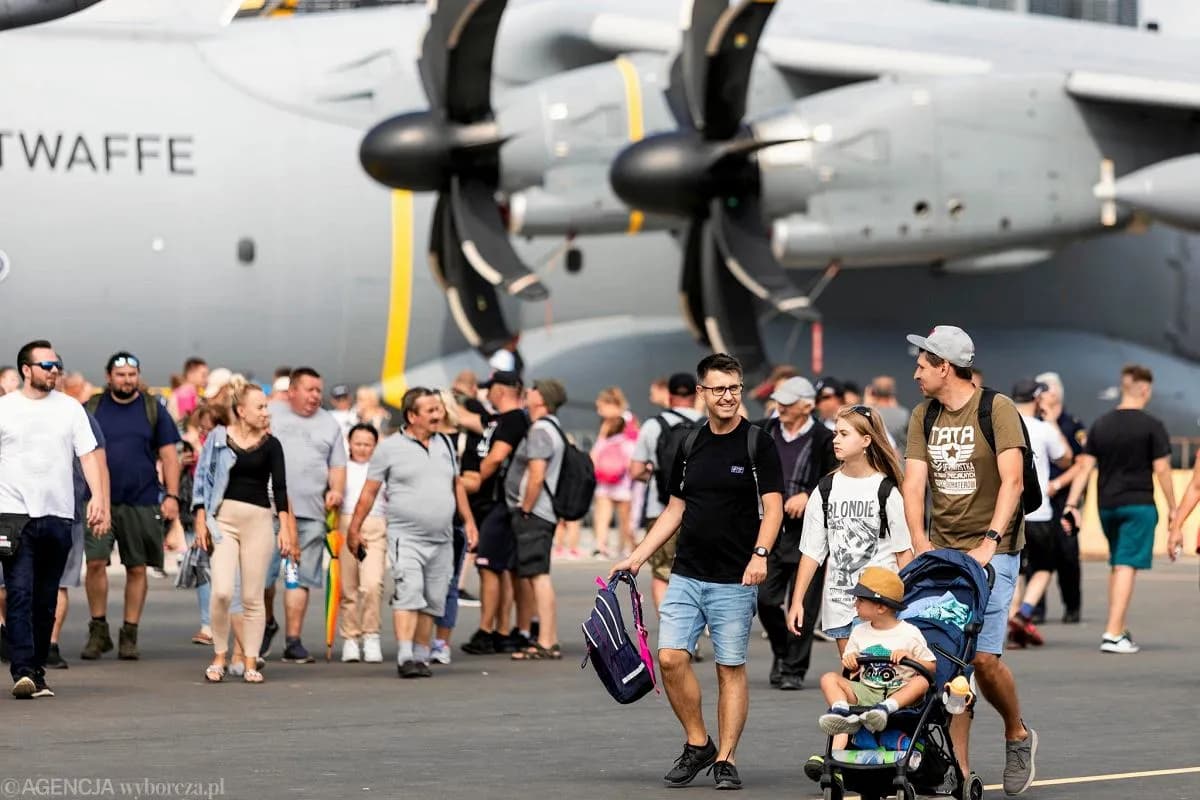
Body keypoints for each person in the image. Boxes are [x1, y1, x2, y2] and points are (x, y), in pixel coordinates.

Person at [612, 353, 784, 791]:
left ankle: (726, 757)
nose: (728, 397)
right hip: (687, 573)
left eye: (734, 388)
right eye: (719, 389)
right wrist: (637, 556)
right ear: (702, 393)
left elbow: (774, 507)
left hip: (734, 577)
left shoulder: (756, 442)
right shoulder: (687, 443)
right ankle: (698, 742)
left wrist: (760, 553)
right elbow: (675, 508)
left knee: (730, 667)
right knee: (670, 659)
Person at [901, 325, 1037, 796]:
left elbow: (1013, 483)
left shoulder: (996, 409)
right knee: (947, 661)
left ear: (945, 366)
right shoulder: (923, 415)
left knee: (981, 658)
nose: (915, 372)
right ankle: (958, 771)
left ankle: (1017, 732)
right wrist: (920, 542)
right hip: (943, 550)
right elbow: (913, 484)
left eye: (923, 364)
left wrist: (990, 541)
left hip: (994, 549)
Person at [0, 340, 109, 698]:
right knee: (18, 592)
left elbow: (90, 456)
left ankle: (37, 669)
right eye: (46, 365)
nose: (54, 370)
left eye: (57, 364)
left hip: (60, 514)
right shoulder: (5, 408)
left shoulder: (71, 409)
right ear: (26, 370)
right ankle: (23, 672)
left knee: (45, 598)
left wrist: (99, 501)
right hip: (13, 514)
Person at [345, 388, 478, 678]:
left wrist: (469, 521)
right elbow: (369, 493)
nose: (438, 414)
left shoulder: (445, 443)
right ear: (412, 415)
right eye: (430, 410)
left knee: (433, 596)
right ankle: (405, 656)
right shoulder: (389, 448)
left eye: (438, 409)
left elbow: (456, 485)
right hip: (406, 537)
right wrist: (354, 529)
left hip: (442, 537)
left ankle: (421, 655)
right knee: (409, 592)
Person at [1062, 364, 1175, 655]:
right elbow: (1162, 469)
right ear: (1145, 389)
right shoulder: (1152, 425)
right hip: (1138, 504)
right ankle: (1112, 634)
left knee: (1117, 562)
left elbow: (1085, 467)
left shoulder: (1101, 423)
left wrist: (1072, 504)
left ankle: (1118, 628)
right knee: (1126, 563)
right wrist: (1174, 507)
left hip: (1107, 506)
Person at [194, 377, 299, 683]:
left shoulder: (272, 445)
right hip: (223, 520)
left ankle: (250, 660)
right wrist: (200, 517)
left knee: (253, 596)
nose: (267, 412)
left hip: (259, 522)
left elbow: (280, 488)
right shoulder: (217, 438)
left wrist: (286, 528)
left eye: (267, 406)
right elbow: (203, 480)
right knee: (223, 591)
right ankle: (220, 654)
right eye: (261, 407)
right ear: (241, 410)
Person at [81, 351, 182, 661]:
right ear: (109, 376)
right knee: (96, 563)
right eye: (121, 374)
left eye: (132, 374)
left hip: (141, 500)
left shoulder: (153, 409)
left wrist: (173, 497)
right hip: (99, 500)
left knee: (136, 567)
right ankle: (98, 631)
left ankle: (129, 633)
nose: (127, 380)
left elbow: (169, 456)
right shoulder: (93, 408)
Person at [788, 404, 912, 650]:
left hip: (879, 602)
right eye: (836, 433)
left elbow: (903, 553)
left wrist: (910, 603)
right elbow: (812, 552)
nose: (836, 440)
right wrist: (797, 601)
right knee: (853, 677)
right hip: (840, 602)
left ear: (866, 440)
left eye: (844, 434)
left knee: (876, 677)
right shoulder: (825, 489)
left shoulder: (886, 491)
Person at [756, 376, 838, 691]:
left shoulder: (823, 438)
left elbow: (833, 478)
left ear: (807, 405)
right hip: (769, 529)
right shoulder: (764, 430)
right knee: (764, 599)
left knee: (804, 601)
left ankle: (793, 668)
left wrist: (809, 494)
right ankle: (781, 649)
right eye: (779, 402)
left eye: (788, 403)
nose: (782, 408)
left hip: (810, 532)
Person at [264, 367, 347, 664]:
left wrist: (336, 490)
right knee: (264, 577)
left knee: (296, 578)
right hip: (269, 510)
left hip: (310, 513)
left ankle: (293, 640)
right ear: (292, 392)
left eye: (318, 391)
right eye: (309, 390)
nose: (315, 396)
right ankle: (267, 622)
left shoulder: (329, 424)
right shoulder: (271, 412)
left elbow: (338, 466)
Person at [817, 567, 935, 740]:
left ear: (880, 607)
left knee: (922, 682)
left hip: (899, 691)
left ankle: (886, 708)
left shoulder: (910, 633)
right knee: (829, 678)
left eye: (860, 601)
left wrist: (911, 659)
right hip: (867, 689)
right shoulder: (858, 631)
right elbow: (851, 667)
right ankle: (842, 711)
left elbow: (931, 666)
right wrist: (850, 661)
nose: (855, 604)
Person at [459, 371, 530, 656]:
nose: (486, 394)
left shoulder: (513, 419)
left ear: (501, 391)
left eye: (490, 389)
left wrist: (476, 479)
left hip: (498, 503)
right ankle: (503, 629)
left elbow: (498, 455)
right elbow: (468, 419)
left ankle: (487, 630)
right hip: (492, 504)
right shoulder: (497, 420)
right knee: (500, 569)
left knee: (489, 567)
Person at [47, 380, 110, 670]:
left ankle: (50, 644)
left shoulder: (78, 415)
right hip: (19, 513)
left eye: (56, 371)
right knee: (16, 583)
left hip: (67, 511)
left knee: (59, 582)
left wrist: (100, 501)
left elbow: (96, 460)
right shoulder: (13, 411)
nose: (52, 377)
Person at [630, 373, 704, 611]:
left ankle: (673, 636)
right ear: (696, 395)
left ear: (670, 396)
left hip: (660, 509)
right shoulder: (708, 424)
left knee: (662, 573)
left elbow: (636, 470)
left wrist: (654, 473)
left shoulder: (654, 425)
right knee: (696, 573)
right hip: (701, 512)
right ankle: (692, 633)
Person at [506, 379, 569, 661]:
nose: (527, 393)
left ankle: (546, 640)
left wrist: (526, 507)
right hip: (544, 512)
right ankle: (548, 638)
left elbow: (536, 474)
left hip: (536, 512)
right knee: (535, 574)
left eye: (532, 389)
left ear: (541, 399)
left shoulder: (541, 430)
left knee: (538, 575)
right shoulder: (552, 427)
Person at [1006, 379, 1072, 648]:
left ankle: (1013, 617)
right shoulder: (1044, 429)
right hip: (1040, 510)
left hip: (1011, 510)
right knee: (1044, 567)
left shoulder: (1004, 427)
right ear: (1036, 398)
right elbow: (1066, 458)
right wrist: (1052, 419)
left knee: (1017, 570)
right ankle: (1024, 614)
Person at [1033, 371, 1087, 623]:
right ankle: (1035, 608)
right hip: (1038, 498)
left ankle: (1072, 606)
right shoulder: (1032, 423)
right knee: (1036, 555)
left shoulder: (1072, 424)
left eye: (1044, 389)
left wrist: (1058, 483)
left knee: (1067, 553)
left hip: (1063, 497)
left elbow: (1080, 463)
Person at [337, 424, 387, 663]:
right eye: (358, 443)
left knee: (372, 583)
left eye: (368, 444)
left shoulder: (382, 469)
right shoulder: (342, 468)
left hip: (376, 525)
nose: (362, 448)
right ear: (349, 442)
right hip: (345, 525)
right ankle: (350, 637)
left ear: (375, 446)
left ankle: (371, 635)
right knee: (349, 587)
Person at [591, 387, 637, 559]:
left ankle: (622, 546)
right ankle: (602, 545)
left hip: (622, 476)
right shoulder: (611, 423)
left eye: (601, 407)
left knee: (624, 516)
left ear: (612, 404)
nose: (599, 411)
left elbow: (600, 446)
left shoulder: (627, 421)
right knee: (605, 512)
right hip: (610, 476)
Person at [867, 376, 911, 450]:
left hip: (875, 459)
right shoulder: (904, 414)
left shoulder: (868, 413)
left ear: (873, 392)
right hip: (898, 460)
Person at [167, 358, 209, 422]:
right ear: (191, 374)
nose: (206, 379)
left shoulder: (184, 391)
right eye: (203, 375)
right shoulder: (186, 393)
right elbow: (188, 423)